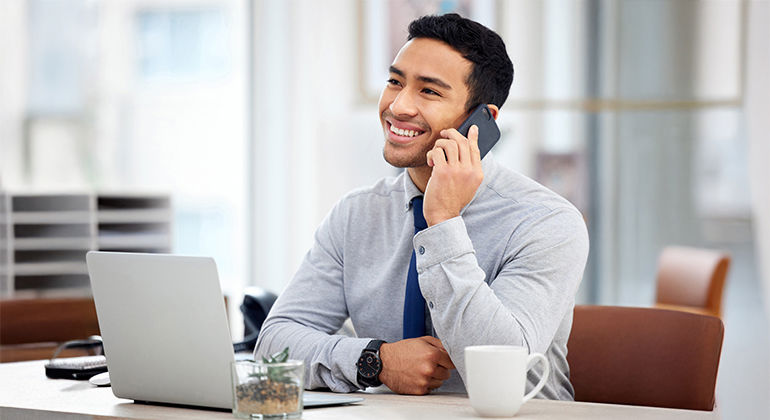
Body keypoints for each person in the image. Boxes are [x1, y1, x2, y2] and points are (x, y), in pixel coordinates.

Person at [254, 13, 589, 399]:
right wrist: (374, 360)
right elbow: (275, 344)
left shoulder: (547, 222)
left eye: (429, 91)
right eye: (395, 82)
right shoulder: (356, 214)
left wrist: (443, 221)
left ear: (481, 120)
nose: (398, 106)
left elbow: (504, 368)